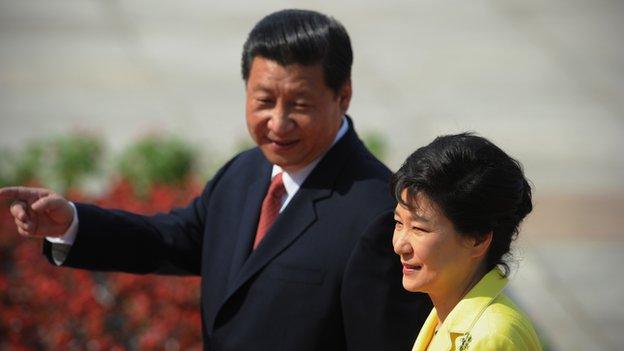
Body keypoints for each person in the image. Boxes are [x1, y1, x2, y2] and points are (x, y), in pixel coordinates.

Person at [0, 9, 432, 351]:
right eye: (264, 101)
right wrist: (72, 223)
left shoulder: (379, 214)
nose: (278, 123)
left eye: (299, 104)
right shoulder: (243, 174)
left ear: (343, 95)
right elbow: (170, 240)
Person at [390, 133, 542, 351]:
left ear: (478, 239)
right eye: (398, 223)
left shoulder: (493, 338)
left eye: (418, 228)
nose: (400, 245)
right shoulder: (442, 315)